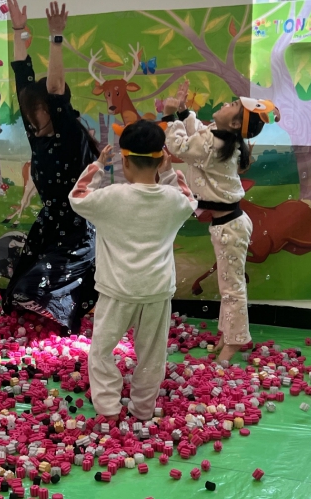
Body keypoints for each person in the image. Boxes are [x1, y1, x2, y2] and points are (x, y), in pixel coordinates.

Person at [69, 120, 197, 422]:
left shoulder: (111, 198)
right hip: (156, 291)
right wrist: (169, 173)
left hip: (117, 291)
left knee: (101, 351)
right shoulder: (174, 202)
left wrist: (98, 166)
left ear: (125, 161)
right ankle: (142, 409)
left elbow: (78, 196)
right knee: (152, 355)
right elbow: (189, 199)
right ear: (161, 159)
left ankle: (109, 409)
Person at [163, 81, 280, 362]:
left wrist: (169, 116)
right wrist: (184, 112)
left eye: (233, 105)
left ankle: (236, 340)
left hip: (230, 226)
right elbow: (197, 134)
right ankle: (229, 335)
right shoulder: (218, 136)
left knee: (232, 287)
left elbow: (180, 145)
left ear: (236, 123)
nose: (227, 103)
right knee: (228, 284)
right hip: (228, 224)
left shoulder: (214, 144)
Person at [3, 0, 100, 334]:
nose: (30, 117)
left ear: (50, 110)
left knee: (33, 290)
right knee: (17, 294)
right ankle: (61, 306)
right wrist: (19, 31)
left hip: (76, 227)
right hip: (50, 224)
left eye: (37, 110)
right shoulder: (38, 134)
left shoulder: (69, 133)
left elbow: (55, 89)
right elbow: (22, 78)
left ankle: (69, 306)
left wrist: (55, 37)